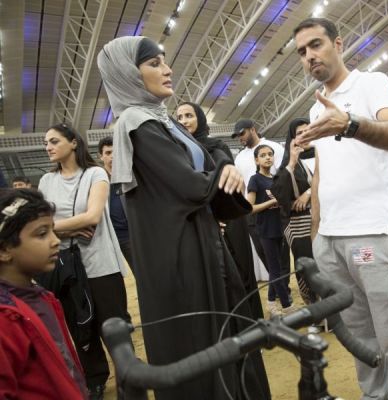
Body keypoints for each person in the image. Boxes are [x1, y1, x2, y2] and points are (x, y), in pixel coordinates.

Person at [97, 36, 270, 399]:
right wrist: (223, 175)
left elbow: (205, 178)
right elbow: (189, 185)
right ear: (129, 74)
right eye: (154, 64)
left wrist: (221, 175)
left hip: (204, 242)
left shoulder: (162, 122)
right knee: (205, 344)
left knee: (227, 335)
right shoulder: (136, 124)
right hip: (182, 256)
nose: (167, 69)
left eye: (164, 60)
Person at [293, 17, 388, 400]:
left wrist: (349, 124)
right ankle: (373, 395)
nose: (309, 56)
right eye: (302, 52)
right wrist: (317, 238)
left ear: (338, 43)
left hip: (370, 233)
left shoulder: (372, 83)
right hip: (330, 240)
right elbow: (321, 178)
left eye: (316, 45)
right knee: (357, 335)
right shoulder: (317, 110)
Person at [38, 122, 129, 400]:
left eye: (54, 141)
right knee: (80, 329)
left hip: (100, 264)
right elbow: (40, 223)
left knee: (114, 326)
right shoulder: (46, 181)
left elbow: (92, 217)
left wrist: (55, 225)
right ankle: (96, 381)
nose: (48, 147)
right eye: (46, 143)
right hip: (65, 268)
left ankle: (128, 379)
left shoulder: (95, 173)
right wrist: (64, 227)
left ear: (73, 143)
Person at [176, 102, 264, 320]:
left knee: (241, 272)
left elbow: (229, 182)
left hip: (230, 218)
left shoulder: (216, 146)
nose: (184, 121)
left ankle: (253, 325)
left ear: (200, 118)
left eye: (189, 115)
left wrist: (220, 215)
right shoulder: (178, 151)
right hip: (204, 222)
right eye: (179, 117)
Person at [0, 189, 87, 399]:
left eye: (53, 231)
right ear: (3, 250)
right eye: (41, 234)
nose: (55, 240)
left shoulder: (42, 297)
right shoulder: (5, 320)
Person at [233, 118, 291, 300]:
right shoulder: (240, 157)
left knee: (281, 256)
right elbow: (240, 186)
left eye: (242, 133)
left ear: (252, 129)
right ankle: (281, 291)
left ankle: (283, 293)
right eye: (237, 136)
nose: (240, 138)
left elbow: (285, 173)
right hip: (252, 212)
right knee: (264, 254)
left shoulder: (274, 147)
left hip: (276, 211)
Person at [271, 118, 319, 309]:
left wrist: (308, 193)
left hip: (321, 220)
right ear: (292, 138)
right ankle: (315, 308)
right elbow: (279, 191)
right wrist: (291, 161)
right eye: (299, 133)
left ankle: (329, 310)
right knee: (307, 266)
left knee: (325, 263)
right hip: (298, 224)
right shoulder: (289, 164)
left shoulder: (323, 152)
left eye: (308, 131)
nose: (305, 136)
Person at [246, 144, 293, 316]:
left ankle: (271, 303)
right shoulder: (255, 179)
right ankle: (287, 306)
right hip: (265, 230)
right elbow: (249, 207)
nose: (267, 157)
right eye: (263, 155)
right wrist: (272, 203)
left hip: (279, 228)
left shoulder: (275, 178)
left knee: (278, 268)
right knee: (275, 270)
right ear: (257, 160)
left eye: (270, 154)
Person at [98, 136, 135, 273]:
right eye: (108, 153)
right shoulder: (97, 179)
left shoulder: (130, 175)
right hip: (110, 237)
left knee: (143, 273)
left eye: (116, 152)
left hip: (132, 234)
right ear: (101, 156)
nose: (113, 156)